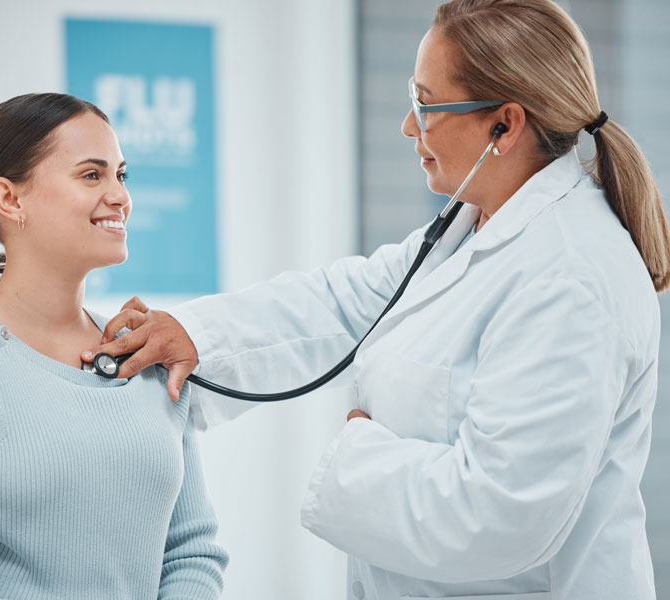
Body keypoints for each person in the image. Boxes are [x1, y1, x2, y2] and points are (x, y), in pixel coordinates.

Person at [83, 1, 670, 599]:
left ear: (506, 125)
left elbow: (501, 514)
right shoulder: (475, 226)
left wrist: (359, 455)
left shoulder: (570, 277)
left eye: (425, 103)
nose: (409, 126)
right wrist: (193, 333)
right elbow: (344, 303)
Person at [0, 93, 228, 599]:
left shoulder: (143, 350)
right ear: (10, 199)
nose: (119, 196)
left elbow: (192, 550)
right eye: (92, 175)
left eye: (121, 175)